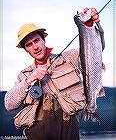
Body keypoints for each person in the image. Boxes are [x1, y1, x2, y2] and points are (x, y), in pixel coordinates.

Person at [4, 8, 100, 140]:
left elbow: (95, 51)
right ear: (26, 50)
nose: (35, 47)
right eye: (29, 44)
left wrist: (89, 25)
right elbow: (9, 104)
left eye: (36, 41)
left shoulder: (69, 58)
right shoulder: (24, 75)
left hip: (69, 133)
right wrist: (30, 79)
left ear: (44, 40)